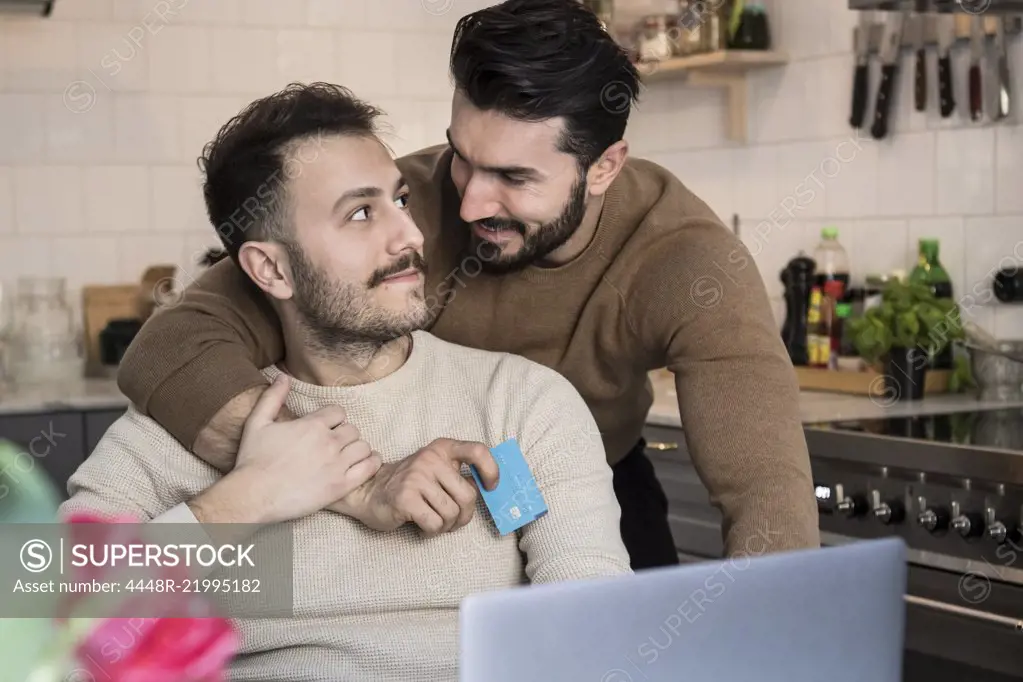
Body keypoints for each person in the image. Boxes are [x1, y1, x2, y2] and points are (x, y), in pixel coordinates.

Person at [117, 0, 819, 568]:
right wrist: (341, 484)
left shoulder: (684, 262)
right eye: (462, 157)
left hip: (584, 481)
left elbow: (765, 488)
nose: (469, 203)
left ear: (602, 168)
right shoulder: (402, 203)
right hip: (378, 470)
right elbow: (170, 348)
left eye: (513, 178)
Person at [60, 82, 631, 682]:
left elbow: (594, 640)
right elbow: (47, 643)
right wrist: (244, 499)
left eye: (401, 200)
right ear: (272, 268)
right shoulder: (177, 430)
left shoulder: (520, 405)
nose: (409, 236)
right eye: (361, 213)